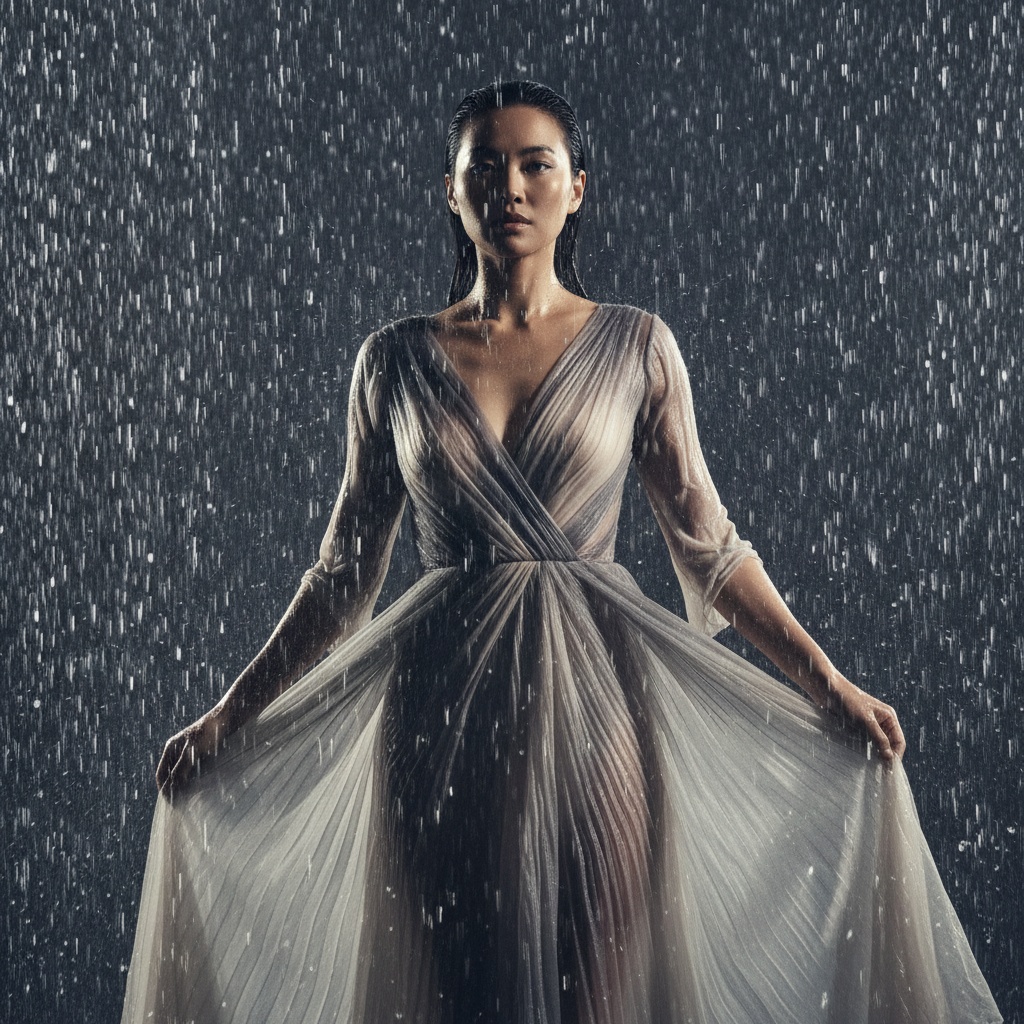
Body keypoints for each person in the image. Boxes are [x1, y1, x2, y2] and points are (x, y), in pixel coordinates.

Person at [122, 81, 1001, 1024]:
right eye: (484, 167)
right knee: (456, 1000)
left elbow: (710, 548)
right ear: (448, 192)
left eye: (535, 164)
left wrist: (830, 684)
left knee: (599, 996)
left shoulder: (636, 345)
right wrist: (226, 718)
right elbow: (343, 576)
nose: (510, 186)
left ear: (576, 188)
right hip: (435, 716)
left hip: (599, 714)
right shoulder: (393, 359)